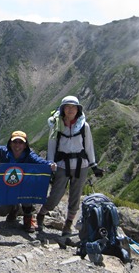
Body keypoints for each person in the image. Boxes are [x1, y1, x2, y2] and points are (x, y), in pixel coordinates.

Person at [36, 96, 104, 236]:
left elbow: (89, 146)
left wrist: (94, 165)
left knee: (75, 196)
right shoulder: (56, 125)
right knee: (55, 195)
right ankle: (41, 214)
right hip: (62, 165)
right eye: (67, 107)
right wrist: (50, 163)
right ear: (63, 109)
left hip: (81, 165)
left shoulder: (84, 126)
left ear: (78, 109)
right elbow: (52, 145)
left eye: (73, 107)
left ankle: (68, 224)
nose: (71, 109)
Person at [0, 130, 57, 233]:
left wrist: (50, 164)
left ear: (25, 145)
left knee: (27, 196)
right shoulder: (3, 151)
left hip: (23, 188)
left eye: (21, 142)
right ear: (10, 143)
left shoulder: (29, 155)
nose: (17, 145)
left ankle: (28, 217)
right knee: (2, 211)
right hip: (8, 187)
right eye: (15, 142)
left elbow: (40, 162)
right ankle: (14, 208)